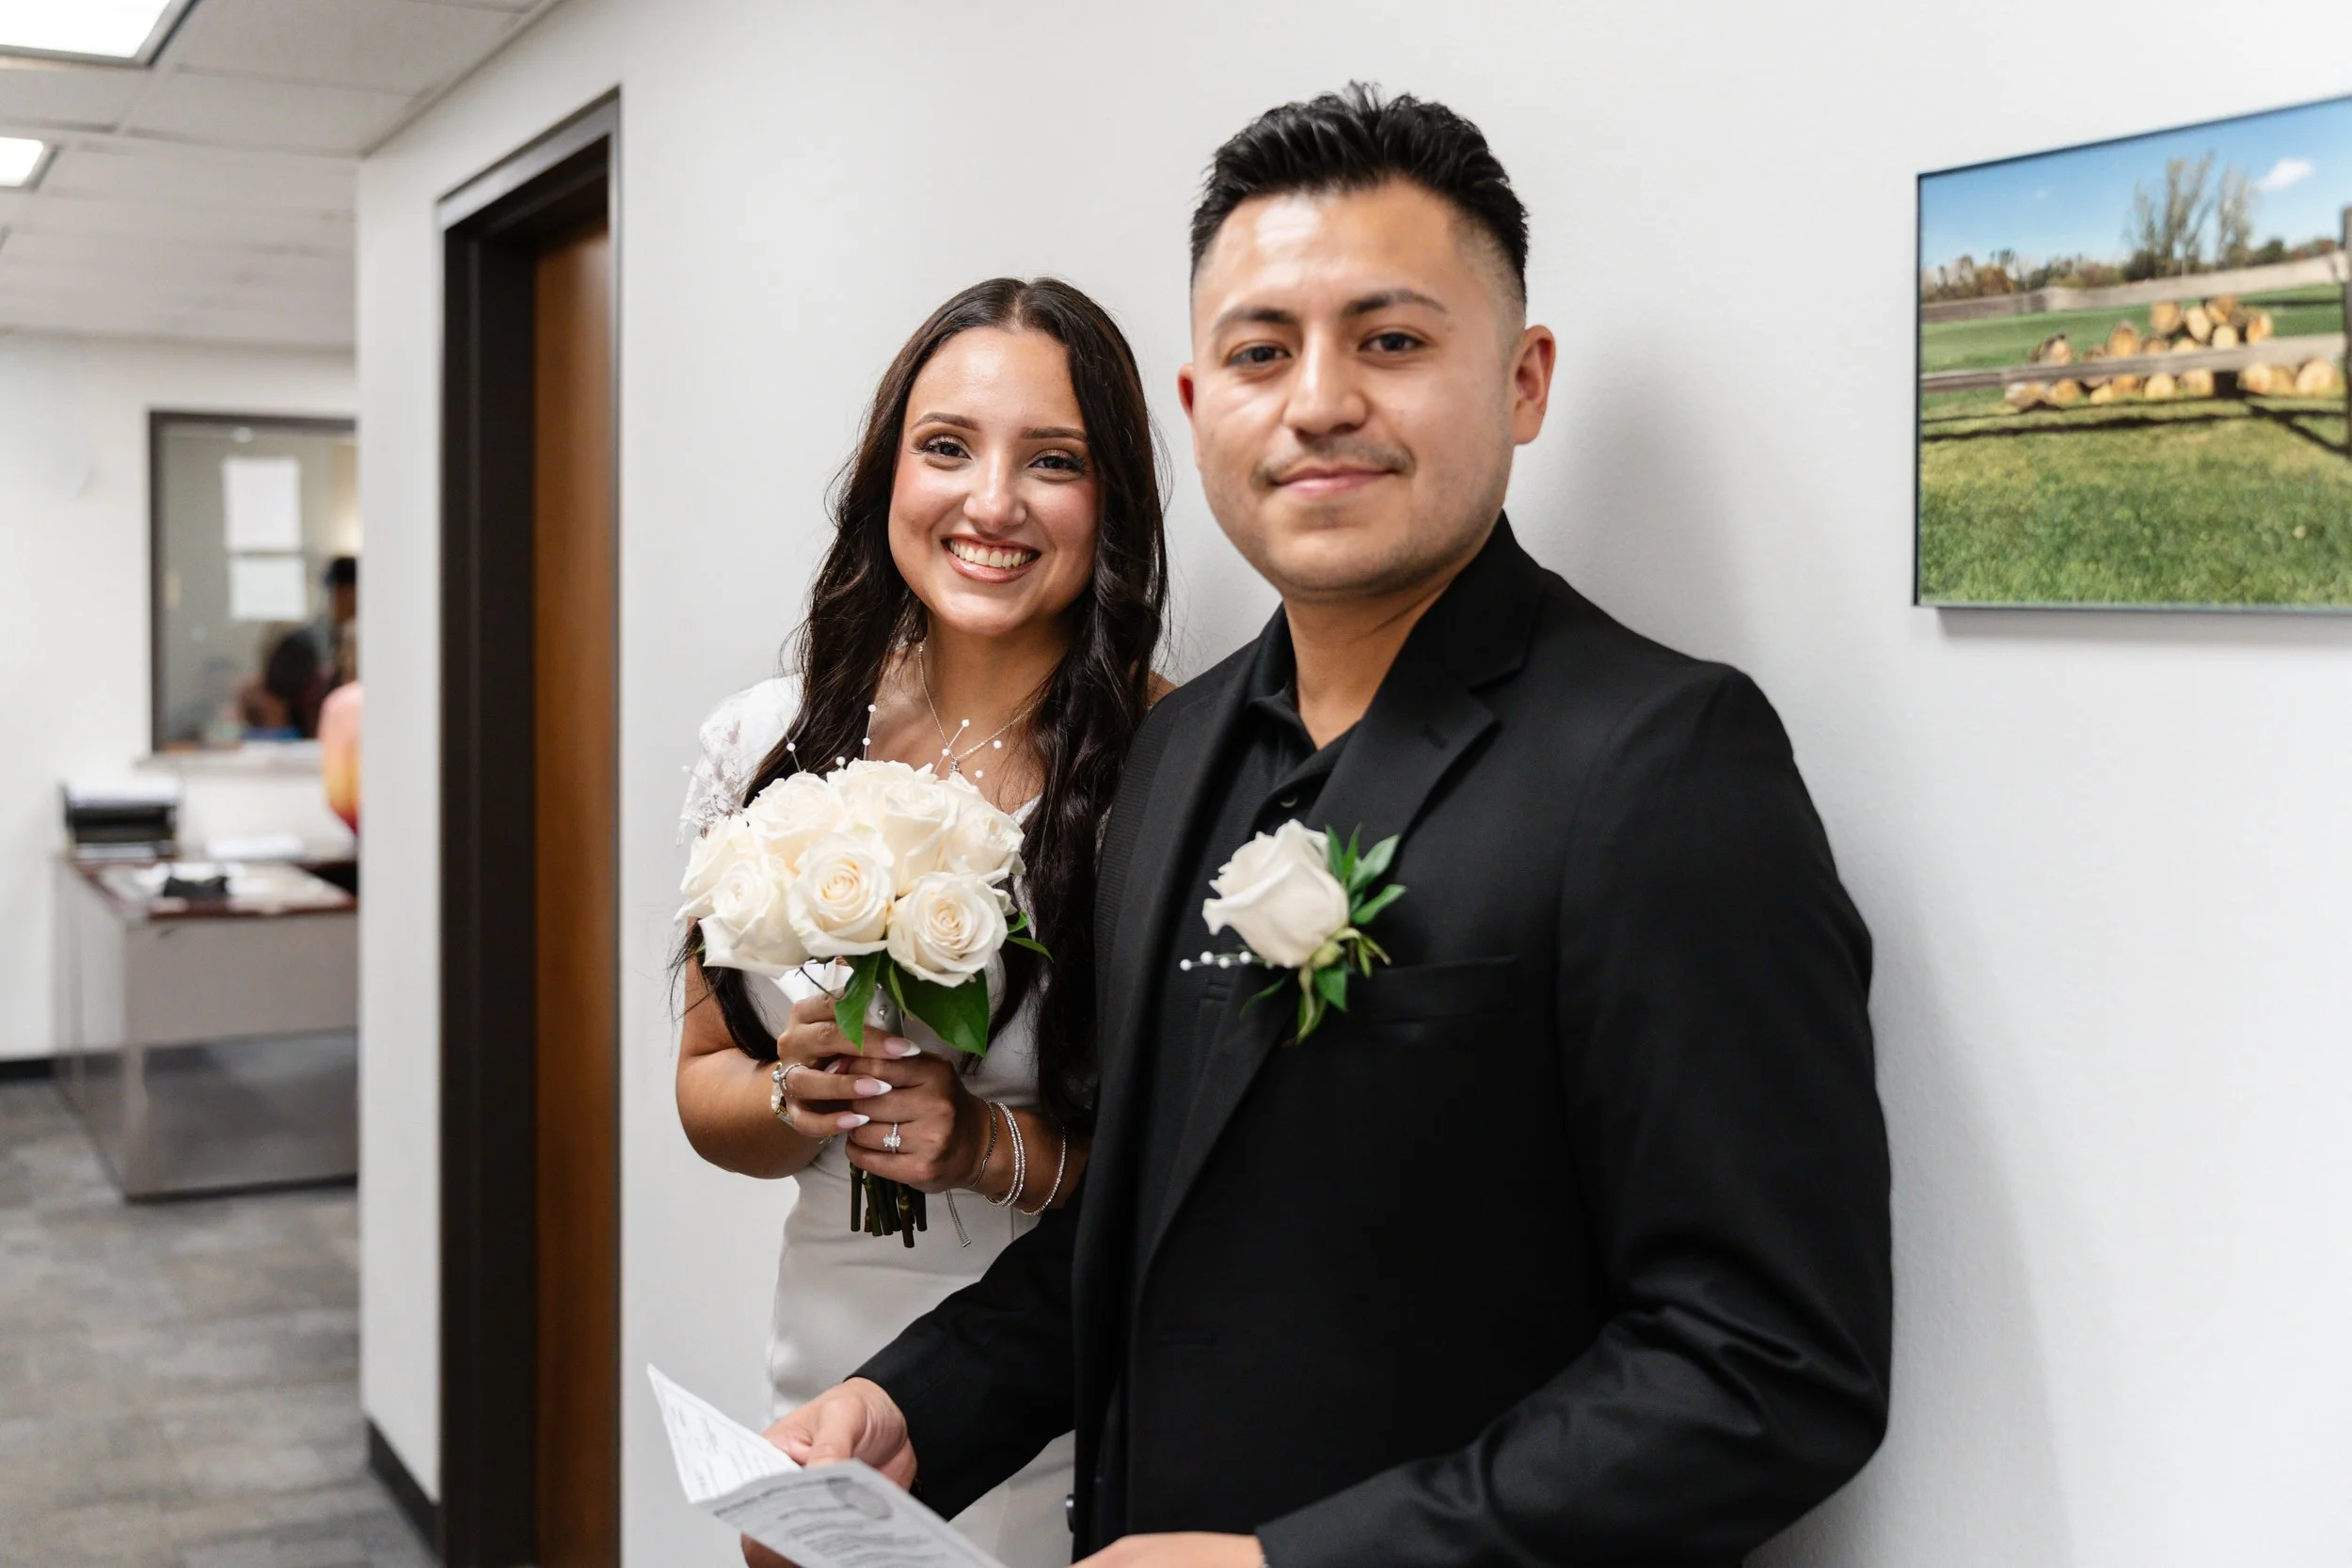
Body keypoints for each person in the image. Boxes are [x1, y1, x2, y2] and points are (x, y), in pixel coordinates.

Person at [768, 87, 1894, 1567]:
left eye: (1392, 340)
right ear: (1195, 408)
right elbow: (1142, 1241)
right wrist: (913, 1407)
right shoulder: (1169, 751)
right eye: (1260, 351)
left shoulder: (1662, 762)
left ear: (1525, 379)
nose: (1316, 402)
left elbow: (1768, 1363)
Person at [673, 277, 1168, 1568]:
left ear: (1111, 494)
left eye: (1051, 462)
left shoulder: (1172, 763)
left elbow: (1178, 1179)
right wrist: (800, 1095)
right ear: (887, 468)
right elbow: (702, 1084)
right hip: (824, 1334)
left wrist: (979, 1145)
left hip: (1057, 1376)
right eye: (946, 446)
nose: (990, 503)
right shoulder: (764, 745)